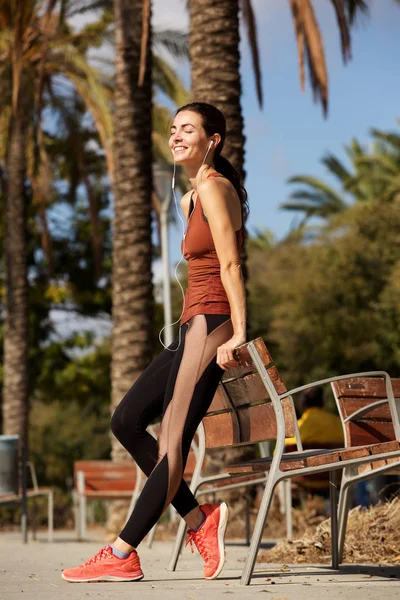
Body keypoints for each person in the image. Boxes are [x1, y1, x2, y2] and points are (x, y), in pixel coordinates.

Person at [62, 102, 248, 583]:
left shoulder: (213, 187)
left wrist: (240, 333)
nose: (176, 136)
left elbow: (230, 265)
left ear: (213, 140)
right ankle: (198, 520)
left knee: (171, 442)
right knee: (126, 420)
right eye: (173, 129)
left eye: (188, 129)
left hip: (214, 321)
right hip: (192, 325)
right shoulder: (190, 198)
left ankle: (122, 553)